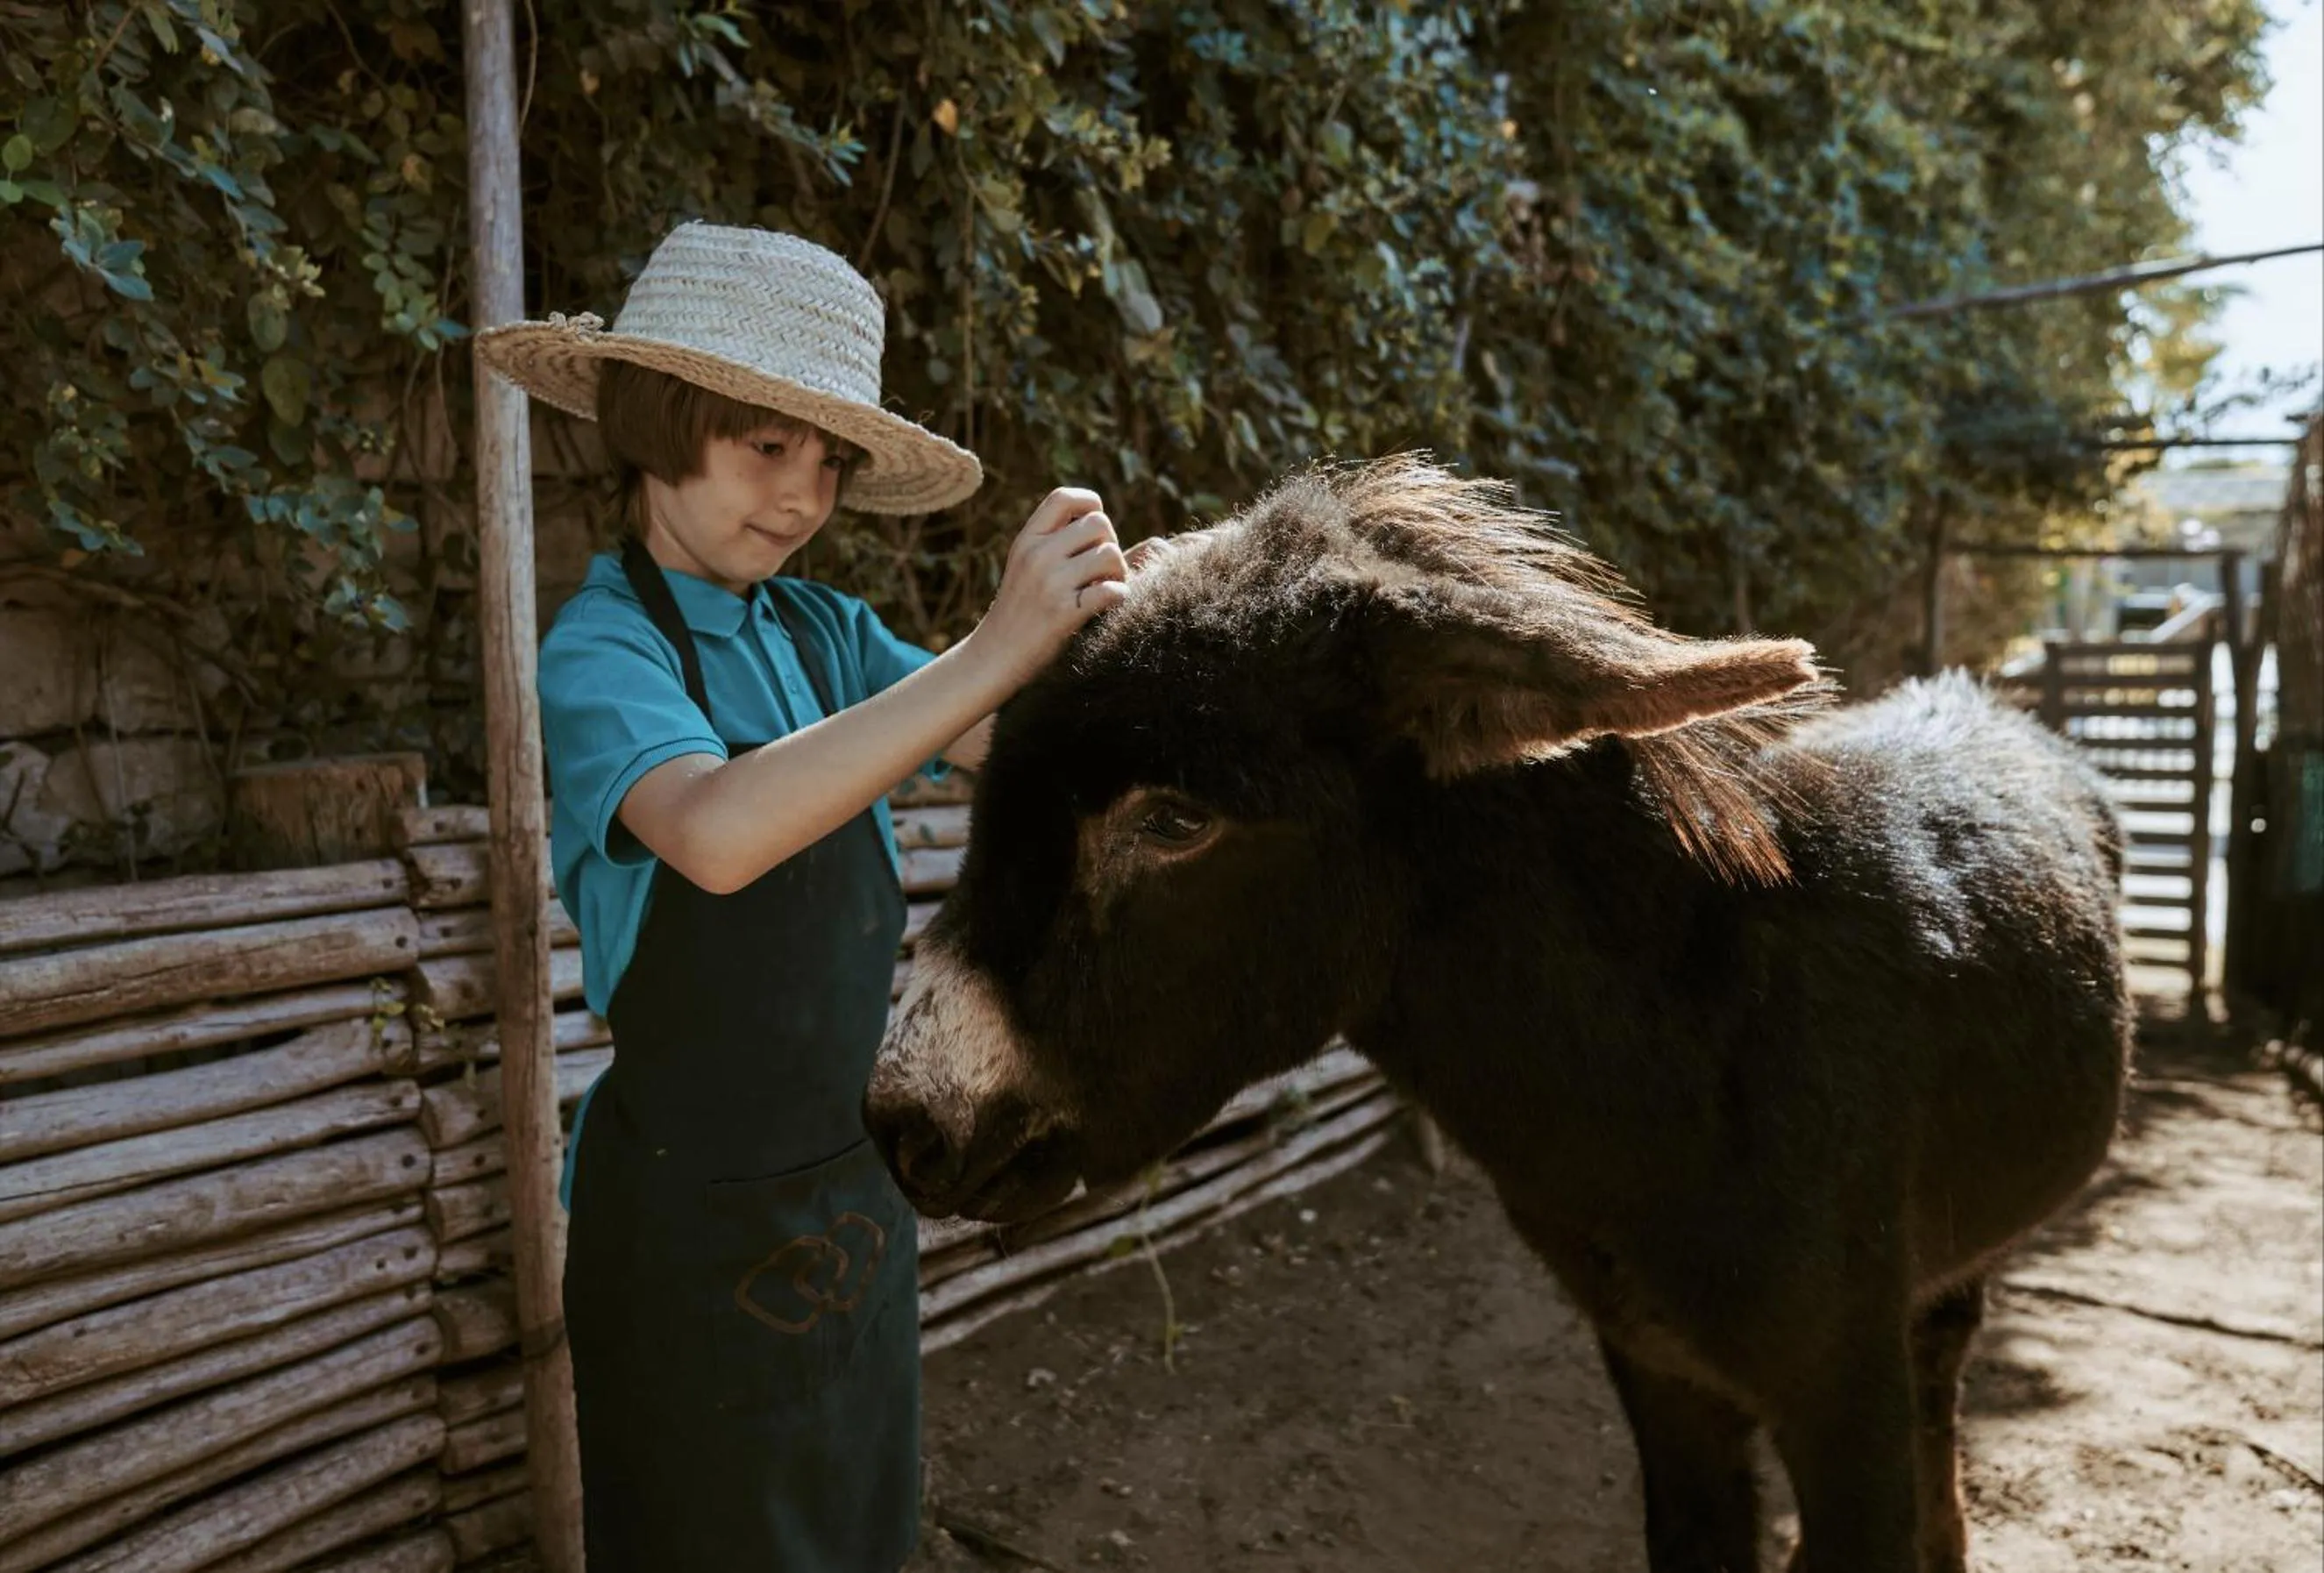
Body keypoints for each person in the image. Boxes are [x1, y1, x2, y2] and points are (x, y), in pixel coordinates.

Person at [476, 222, 1126, 1570]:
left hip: (853, 1195)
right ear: (659, 422)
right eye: (764, 446)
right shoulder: (602, 650)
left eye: (826, 461)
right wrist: (992, 646)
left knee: (856, 1523)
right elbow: (715, 833)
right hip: (688, 1231)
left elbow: (1009, 741)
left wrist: (1113, 638)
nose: (801, 494)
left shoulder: (823, 635)